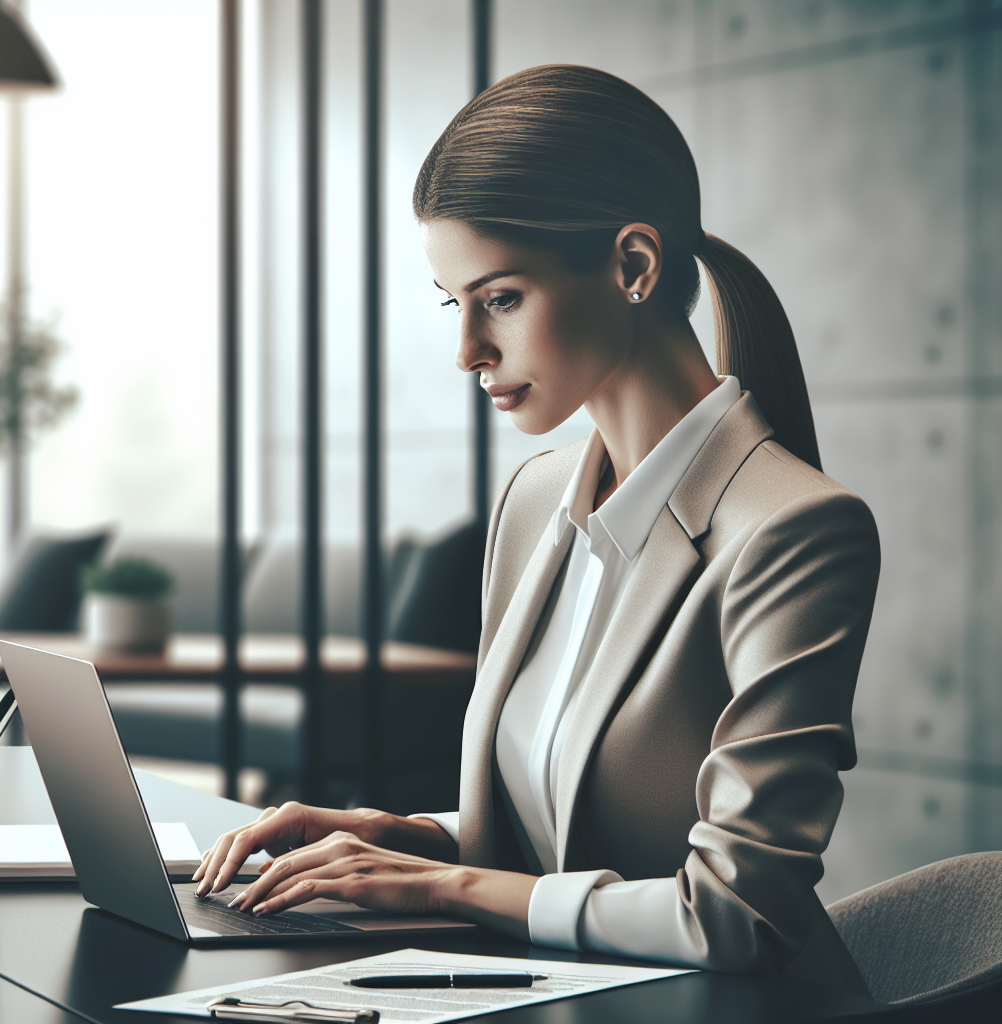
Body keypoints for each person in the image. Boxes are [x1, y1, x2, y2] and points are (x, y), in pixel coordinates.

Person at [193, 66, 879, 995]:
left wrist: (447, 884)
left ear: (634, 267)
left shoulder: (794, 532)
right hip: (553, 992)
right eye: (455, 303)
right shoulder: (534, 499)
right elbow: (549, 831)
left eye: (501, 299)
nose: (469, 351)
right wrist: (399, 839)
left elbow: (734, 912)